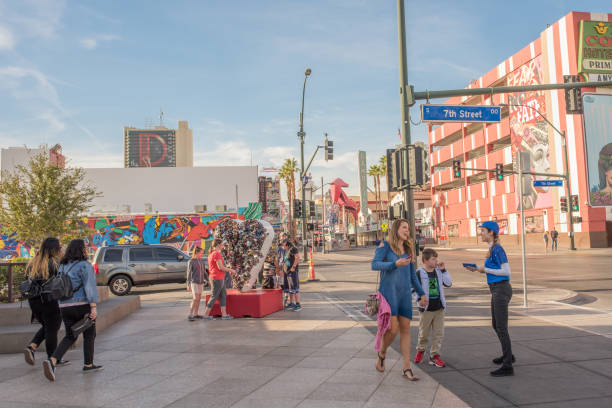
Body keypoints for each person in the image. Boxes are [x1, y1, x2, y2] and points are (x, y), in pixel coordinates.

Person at [371, 219, 427, 381]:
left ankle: (406, 368)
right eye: (404, 227)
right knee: (393, 329)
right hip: (389, 294)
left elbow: (412, 276)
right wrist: (394, 264)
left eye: (408, 228)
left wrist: (421, 293)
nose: (407, 230)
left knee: (405, 329)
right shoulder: (385, 246)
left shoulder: (408, 249)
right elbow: (375, 265)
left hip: (404, 295)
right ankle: (382, 353)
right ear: (396, 229)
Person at [43, 239, 101, 382]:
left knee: (70, 335)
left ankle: (53, 360)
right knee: (89, 334)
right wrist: (93, 307)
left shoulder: (63, 266)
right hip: (81, 305)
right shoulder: (84, 265)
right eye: (85, 247)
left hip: (64, 306)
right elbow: (89, 286)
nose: (87, 249)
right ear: (82, 249)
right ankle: (88, 364)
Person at [464, 221, 515, 377]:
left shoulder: (498, 249)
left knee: (501, 327)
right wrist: (478, 269)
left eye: (483, 231)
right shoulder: (492, 249)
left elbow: (506, 271)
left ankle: (508, 366)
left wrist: (484, 269)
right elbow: (493, 270)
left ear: (491, 232)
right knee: (496, 324)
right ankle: (508, 356)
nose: (481, 233)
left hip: (501, 289)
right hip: (496, 289)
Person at [23, 238, 68, 367]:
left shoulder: (33, 263)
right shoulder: (55, 263)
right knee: (52, 330)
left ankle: (32, 346)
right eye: (59, 247)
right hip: (50, 300)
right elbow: (63, 281)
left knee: (48, 327)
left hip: (34, 301)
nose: (60, 249)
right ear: (54, 249)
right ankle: (52, 359)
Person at [414, 248, 452, 368]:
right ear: (425, 260)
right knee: (423, 334)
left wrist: (444, 270)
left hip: (439, 308)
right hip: (426, 309)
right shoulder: (419, 273)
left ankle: (434, 356)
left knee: (438, 334)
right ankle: (420, 350)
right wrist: (419, 299)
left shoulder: (438, 271)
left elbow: (449, 283)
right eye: (433, 259)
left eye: (436, 258)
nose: (436, 261)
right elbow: (412, 289)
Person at [202, 239, 237, 320]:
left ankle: (224, 315)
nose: (223, 246)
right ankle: (206, 315)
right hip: (216, 278)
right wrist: (231, 270)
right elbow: (220, 267)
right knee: (214, 296)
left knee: (223, 295)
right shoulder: (216, 253)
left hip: (218, 277)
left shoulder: (212, 253)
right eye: (222, 244)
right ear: (218, 245)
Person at [186, 247, 207, 321]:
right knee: (195, 298)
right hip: (194, 282)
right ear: (196, 253)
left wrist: (208, 280)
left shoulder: (201, 261)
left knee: (199, 298)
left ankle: (196, 314)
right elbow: (189, 273)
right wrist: (188, 284)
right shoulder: (191, 261)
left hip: (201, 282)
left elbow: (204, 272)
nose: (202, 254)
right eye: (201, 253)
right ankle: (190, 314)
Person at [280, 239, 301, 311]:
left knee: (295, 288)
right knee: (290, 289)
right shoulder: (286, 250)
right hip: (287, 272)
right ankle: (291, 303)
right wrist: (283, 270)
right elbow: (285, 261)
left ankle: (298, 304)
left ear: (286, 243)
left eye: (282, 245)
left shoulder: (293, 248)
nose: (282, 247)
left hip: (292, 272)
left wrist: (293, 267)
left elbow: (297, 257)